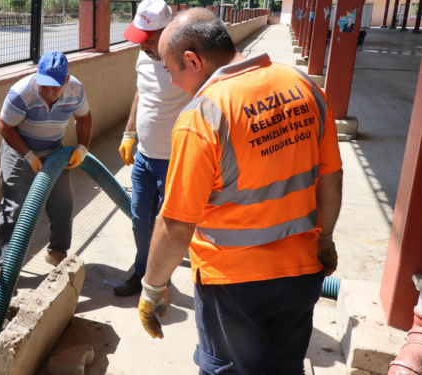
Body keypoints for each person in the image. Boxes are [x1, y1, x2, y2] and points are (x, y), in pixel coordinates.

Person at [137, 9, 342, 375]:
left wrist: (152, 288)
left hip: (233, 286)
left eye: (170, 70)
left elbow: (177, 224)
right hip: (301, 271)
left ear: (192, 61)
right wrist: (324, 240)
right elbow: (331, 177)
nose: (171, 81)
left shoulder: (203, 116)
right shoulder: (305, 86)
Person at [0, 52, 93, 282]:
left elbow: (84, 117)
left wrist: (83, 148)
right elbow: (4, 127)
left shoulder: (75, 90)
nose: (48, 92)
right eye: (44, 85)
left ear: (66, 80)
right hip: (19, 153)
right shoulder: (22, 93)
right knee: (14, 208)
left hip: (55, 153)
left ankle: (57, 252)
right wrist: (28, 155)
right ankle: (3, 266)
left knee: (62, 203)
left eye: (54, 87)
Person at [115, 0, 192, 297]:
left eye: (148, 39)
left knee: (167, 226)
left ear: (167, 32)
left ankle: (160, 281)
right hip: (144, 158)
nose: (142, 45)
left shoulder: (188, 62)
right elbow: (141, 92)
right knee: (140, 221)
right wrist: (129, 133)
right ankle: (142, 273)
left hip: (173, 161)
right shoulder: (144, 55)